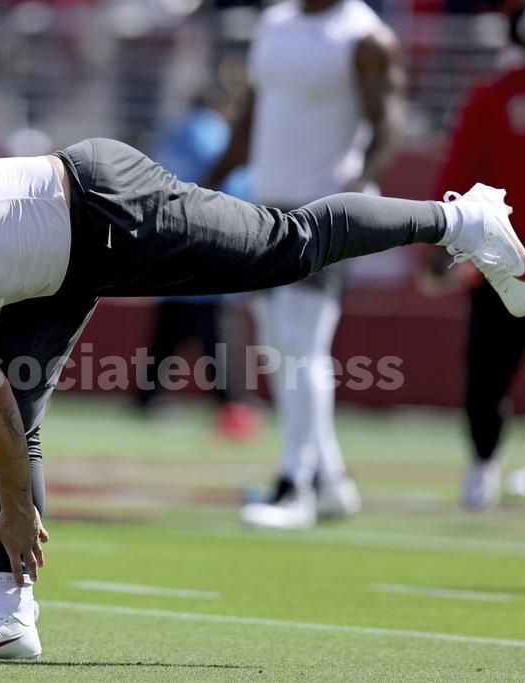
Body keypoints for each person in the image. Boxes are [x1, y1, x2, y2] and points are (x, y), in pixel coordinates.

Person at [0, 138, 525, 660]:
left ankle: (461, 218)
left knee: (283, 247)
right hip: (55, 267)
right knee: (14, 423)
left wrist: (12, 501)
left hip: (103, 201)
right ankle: (9, 614)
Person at [204, 0, 405, 529]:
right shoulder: (275, 23)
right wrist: (207, 183)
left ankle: (297, 486)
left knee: (302, 342)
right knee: (276, 342)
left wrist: (352, 198)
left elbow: (388, 124)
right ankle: (329, 480)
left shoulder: (365, 36)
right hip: (270, 208)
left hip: (325, 211)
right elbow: (254, 113)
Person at [435, 0, 525, 512]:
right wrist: (443, 237)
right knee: (487, 372)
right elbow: (461, 166)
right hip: (498, 260)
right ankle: (483, 462)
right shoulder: (493, 96)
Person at [136, 89, 261, 439]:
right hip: (209, 244)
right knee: (217, 332)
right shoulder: (214, 133)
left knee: (168, 328)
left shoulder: (172, 133)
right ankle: (231, 402)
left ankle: (146, 397)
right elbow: (230, 183)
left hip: (170, 243)